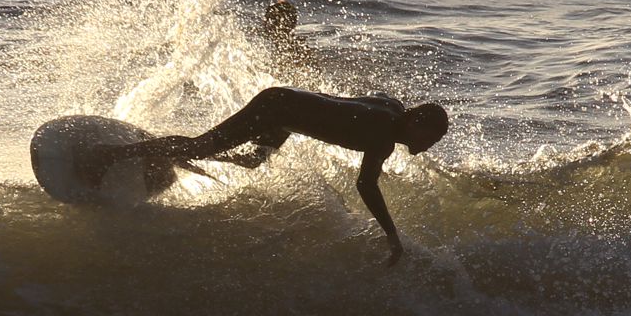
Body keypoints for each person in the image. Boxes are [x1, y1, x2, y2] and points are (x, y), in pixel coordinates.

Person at [90, 87, 449, 264]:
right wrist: (392, 235)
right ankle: (109, 154)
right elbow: (365, 185)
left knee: (250, 161)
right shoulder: (382, 135)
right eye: (429, 137)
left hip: (286, 111)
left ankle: (165, 153)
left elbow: (365, 101)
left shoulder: (393, 109)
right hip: (275, 108)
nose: (428, 146)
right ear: (414, 122)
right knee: (203, 146)